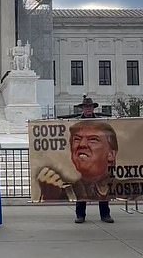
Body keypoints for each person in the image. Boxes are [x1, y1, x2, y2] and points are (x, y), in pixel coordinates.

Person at [37, 96, 116, 224]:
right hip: (83, 160)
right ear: (83, 109)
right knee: (81, 189)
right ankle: (80, 215)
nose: (88, 109)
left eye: (90, 107)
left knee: (103, 189)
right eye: (86, 107)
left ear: (93, 108)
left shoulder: (101, 122)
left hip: (98, 161)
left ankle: (105, 214)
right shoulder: (76, 122)